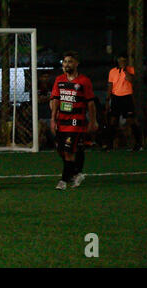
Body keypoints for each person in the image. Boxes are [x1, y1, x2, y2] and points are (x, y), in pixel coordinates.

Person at [50, 51, 98, 190]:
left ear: (77, 63)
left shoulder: (84, 81)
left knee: (69, 151)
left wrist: (93, 121)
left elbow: (90, 103)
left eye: (70, 61)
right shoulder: (59, 80)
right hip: (62, 120)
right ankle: (76, 173)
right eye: (65, 62)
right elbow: (55, 100)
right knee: (61, 150)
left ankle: (63, 181)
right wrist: (53, 119)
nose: (67, 64)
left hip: (76, 121)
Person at [105, 53, 142, 151]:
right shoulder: (112, 71)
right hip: (116, 97)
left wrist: (124, 70)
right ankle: (109, 145)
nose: (121, 62)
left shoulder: (130, 69)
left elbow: (130, 80)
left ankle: (138, 143)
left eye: (123, 61)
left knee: (131, 120)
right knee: (113, 121)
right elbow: (110, 85)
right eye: (120, 61)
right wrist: (108, 100)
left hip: (126, 97)